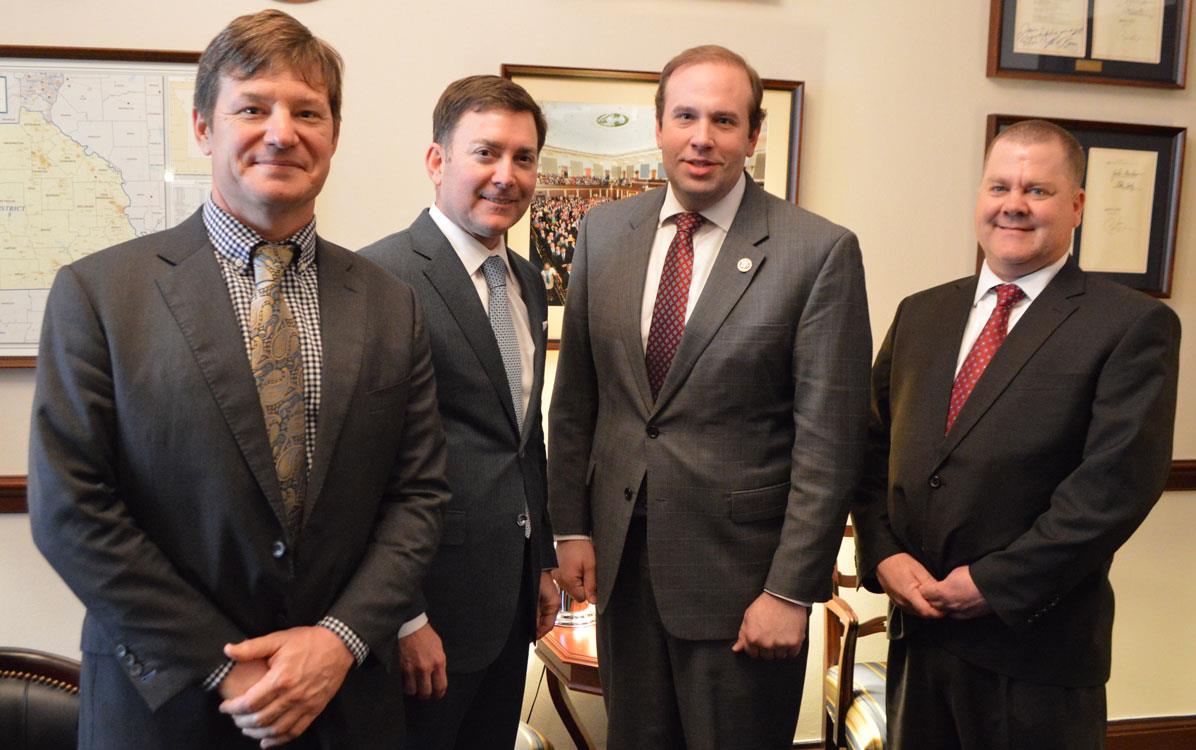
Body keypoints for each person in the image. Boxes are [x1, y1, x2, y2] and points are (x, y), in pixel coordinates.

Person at [27, 10, 449, 749]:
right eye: (252, 107)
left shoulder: (391, 304)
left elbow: (417, 498)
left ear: (334, 134)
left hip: (344, 705)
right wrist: (224, 670)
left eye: (307, 111)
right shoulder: (99, 294)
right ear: (202, 128)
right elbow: (71, 509)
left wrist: (337, 641)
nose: (281, 132)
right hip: (166, 707)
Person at [547, 45, 872, 749]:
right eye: (685, 115)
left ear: (753, 135)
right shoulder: (605, 233)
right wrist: (570, 525)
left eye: (724, 120)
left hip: (743, 587)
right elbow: (577, 398)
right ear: (658, 126)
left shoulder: (817, 252)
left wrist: (790, 592)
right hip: (624, 572)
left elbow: (830, 440)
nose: (702, 136)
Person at [852, 119, 1180, 749]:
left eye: (1038, 190)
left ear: (1077, 205)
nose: (1014, 205)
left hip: (1036, 653)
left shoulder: (1131, 326)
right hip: (917, 640)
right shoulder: (923, 313)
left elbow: (1115, 488)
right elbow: (868, 452)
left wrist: (995, 584)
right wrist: (884, 554)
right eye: (999, 186)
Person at [359, 75, 558, 750]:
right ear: (437, 162)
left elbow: (521, 438)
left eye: (524, 158)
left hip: (510, 603)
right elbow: (365, 468)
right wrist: (404, 618)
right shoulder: (380, 280)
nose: (507, 176)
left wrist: (545, 559)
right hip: (427, 614)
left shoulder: (527, 280)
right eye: (486, 153)